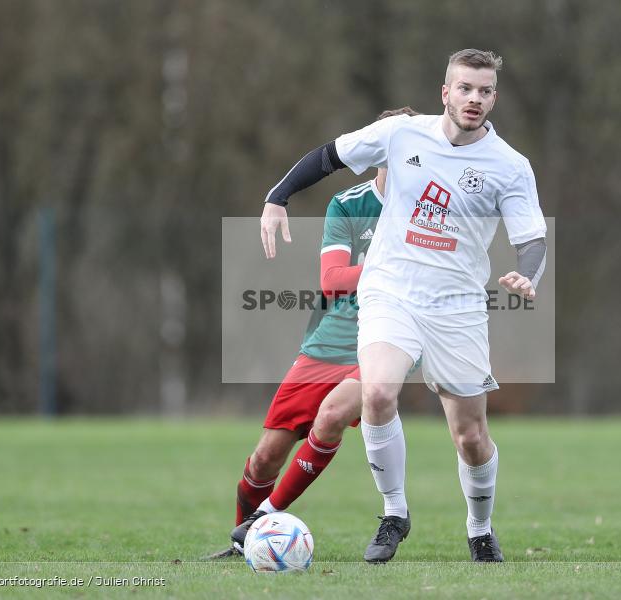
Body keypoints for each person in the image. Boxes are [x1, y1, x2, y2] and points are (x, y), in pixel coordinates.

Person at [258, 49, 547, 563]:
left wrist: (528, 273)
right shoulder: (401, 134)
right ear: (445, 92)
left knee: (471, 436)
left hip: (457, 306)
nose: (474, 99)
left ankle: (479, 528)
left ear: (494, 98)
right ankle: (394, 513)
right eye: (465, 88)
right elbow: (329, 155)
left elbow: (532, 239)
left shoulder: (510, 166)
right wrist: (278, 196)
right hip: (391, 291)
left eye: (484, 91)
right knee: (377, 392)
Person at [207, 107, 422, 560]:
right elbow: (332, 281)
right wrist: (390, 269)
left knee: (332, 415)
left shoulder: (428, 211)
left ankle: (262, 521)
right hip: (329, 341)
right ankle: (242, 543)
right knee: (265, 457)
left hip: (390, 337)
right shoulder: (349, 204)